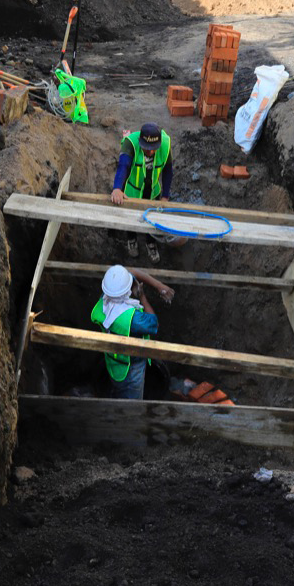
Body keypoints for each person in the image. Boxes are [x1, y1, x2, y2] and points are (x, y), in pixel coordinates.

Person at [91, 264, 175, 400]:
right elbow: (154, 323)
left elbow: (129, 271)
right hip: (132, 367)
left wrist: (158, 285)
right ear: (127, 291)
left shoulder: (104, 300)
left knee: (117, 385)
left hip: (112, 359)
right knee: (132, 400)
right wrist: (142, 297)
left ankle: (116, 395)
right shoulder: (133, 319)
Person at [108, 123, 173, 263]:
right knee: (131, 216)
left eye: (153, 149)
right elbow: (123, 166)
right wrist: (117, 188)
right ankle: (131, 239)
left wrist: (165, 197)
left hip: (153, 191)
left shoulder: (165, 145)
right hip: (132, 190)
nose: (150, 152)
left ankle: (151, 242)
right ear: (140, 142)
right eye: (146, 149)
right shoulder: (130, 143)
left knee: (152, 218)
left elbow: (168, 171)